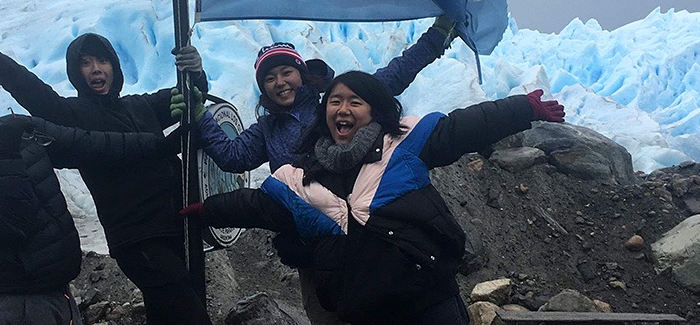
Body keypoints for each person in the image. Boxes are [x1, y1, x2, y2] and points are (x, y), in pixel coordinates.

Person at [182, 70, 565, 325]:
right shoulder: (300, 181)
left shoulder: (403, 146)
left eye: (354, 101)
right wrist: (204, 210)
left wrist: (522, 108)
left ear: (374, 110)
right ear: (324, 113)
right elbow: (256, 207)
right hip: (365, 308)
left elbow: (462, 127)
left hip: (428, 300)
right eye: (335, 102)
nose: (343, 109)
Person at [0, 9, 212, 325]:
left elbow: (192, 96)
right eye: (85, 62)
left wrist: (196, 73)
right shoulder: (68, 115)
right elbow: (18, 80)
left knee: (177, 310)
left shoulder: (141, 106)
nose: (96, 69)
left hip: (179, 223)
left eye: (102, 60)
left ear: (115, 66)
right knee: (187, 310)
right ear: (74, 71)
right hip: (138, 237)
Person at [192, 16, 458, 324]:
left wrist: (435, 38)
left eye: (286, 72)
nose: (280, 82)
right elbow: (232, 157)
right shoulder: (267, 128)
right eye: (270, 78)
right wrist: (201, 116)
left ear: (302, 75)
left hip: (365, 231)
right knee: (327, 315)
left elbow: (395, 75)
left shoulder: (331, 105)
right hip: (315, 243)